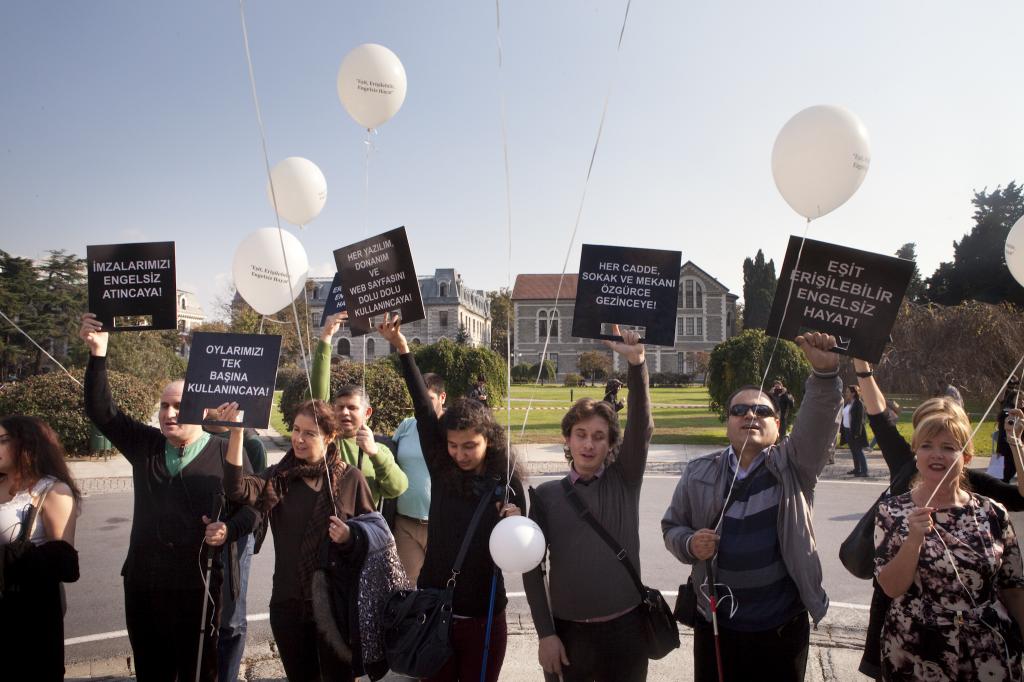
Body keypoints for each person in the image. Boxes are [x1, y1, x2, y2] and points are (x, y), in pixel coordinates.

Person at [80, 313, 259, 681]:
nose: (169, 413)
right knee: (152, 670)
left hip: (199, 587)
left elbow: (251, 512)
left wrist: (227, 529)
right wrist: (98, 354)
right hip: (144, 584)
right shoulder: (146, 445)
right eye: (164, 406)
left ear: (202, 408)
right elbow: (103, 412)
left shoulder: (226, 450)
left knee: (197, 672)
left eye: (178, 405)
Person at [662, 332, 843, 682]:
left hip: (781, 626)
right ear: (727, 420)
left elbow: (819, 422)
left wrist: (824, 375)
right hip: (716, 622)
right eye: (739, 410)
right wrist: (689, 543)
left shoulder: (796, 466)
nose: (750, 415)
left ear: (778, 425)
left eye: (763, 410)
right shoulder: (698, 472)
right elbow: (672, 527)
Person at [849, 358, 1024, 679]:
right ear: (916, 445)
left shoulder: (985, 503)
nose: (937, 453)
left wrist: (1015, 445)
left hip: (985, 652)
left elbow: (1013, 586)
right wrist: (862, 365)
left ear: (965, 453)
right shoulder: (904, 466)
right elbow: (877, 415)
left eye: (948, 444)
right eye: (927, 441)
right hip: (914, 644)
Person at [377, 313, 524, 682]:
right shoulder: (442, 470)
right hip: (434, 608)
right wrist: (402, 348)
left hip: (485, 614)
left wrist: (517, 518)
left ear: (488, 441)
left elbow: (527, 534)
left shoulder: (503, 480)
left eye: (470, 446)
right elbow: (425, 412)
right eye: (454, 445)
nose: (460, 453)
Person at [523, 325, 653, 681]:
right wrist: (546, 633)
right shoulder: (546, 496)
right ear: (567, 439)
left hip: (627, 631)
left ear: (611, 444)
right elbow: (533, 570)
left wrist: (637, 363)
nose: (589, 445)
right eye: (580, 435)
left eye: (599, 437)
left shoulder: (624, 480)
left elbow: (641, 427)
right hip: (568, 635)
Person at [220, 398, 377, 680]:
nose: (298, 439)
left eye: (310, 433)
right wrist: (236, 432)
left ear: (329, 437)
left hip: (336, 607)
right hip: (289, 603)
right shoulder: (279, 478)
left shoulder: (351, 478)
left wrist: (350, 536)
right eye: (295, 429)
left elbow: (374, 538)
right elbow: (237, 489)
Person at [0, 415, 81, 681]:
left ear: (27, 444)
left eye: (1, 441)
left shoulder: (52, 490)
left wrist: (9, 556)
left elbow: (65, 563)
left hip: (30, 616)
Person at [313, 313, 408, 507]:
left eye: (352, 408)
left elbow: (398, 487)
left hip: (360, 533)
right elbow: (316, 397)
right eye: (339, 407)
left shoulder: (379, 450)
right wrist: (326, 338)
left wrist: (374, 454)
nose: (344, 413)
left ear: (367, 412)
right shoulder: (325, 441)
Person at [204, 425, 266, 682]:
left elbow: (258, 502)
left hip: (236, 540)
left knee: (231, 618)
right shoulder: (190, 435)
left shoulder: (251, 443)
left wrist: (230, 529)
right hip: (195, 541)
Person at [391, 371, 445, 584]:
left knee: (441, 585)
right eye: (418, 399)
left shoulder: (451, 428)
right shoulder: (406, 426)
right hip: (405, 523)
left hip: (440, 524)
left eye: (428, 399)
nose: (422, 404)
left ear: (442, 398)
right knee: (410, 587)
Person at [843, 384, 869, 477]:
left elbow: (860, 419)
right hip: (847, 430)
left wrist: (857, 433)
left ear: (853, 393)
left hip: (855, 431)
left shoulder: (859, 403)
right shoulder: (848, 403)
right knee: (853, 451)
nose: (846, 393)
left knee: (858, 450)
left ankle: (865, 471)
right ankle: (857, 469)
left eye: (848, 392)